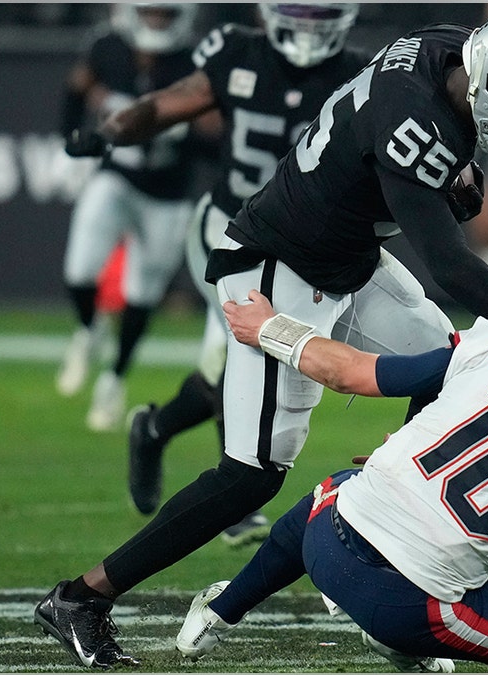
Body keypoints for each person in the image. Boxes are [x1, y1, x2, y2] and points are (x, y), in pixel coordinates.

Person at [34, 7, 488, 669]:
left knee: (452, 369)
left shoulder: (447, 52)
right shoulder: (417, 121)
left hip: (348, 260)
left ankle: (382, 532)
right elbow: (449, 264)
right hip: (277, 267)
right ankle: (82, 597)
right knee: (248, 476)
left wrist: (455, 176)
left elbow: (429, 160)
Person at [171, 289, 488, 672]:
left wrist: (268, 328)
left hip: (324, 536)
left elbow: (352, 372)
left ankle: (219, 611)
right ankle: (403, 644)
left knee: (352, 482)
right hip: (406, 607)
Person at [113, 3, 370, 551]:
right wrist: (116, 129)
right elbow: (175, 104)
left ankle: (155, 429)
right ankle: (235, 495)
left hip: (294, 243)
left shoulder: (362, 73)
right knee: (241, 351)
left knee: (222, 363)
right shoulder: (238, 51)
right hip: (227, 230)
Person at [55, 3, 205, 432]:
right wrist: (67, 143)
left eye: (165, 13)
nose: (157, 20)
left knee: (142, 294)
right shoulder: (107, 47)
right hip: (117, 176)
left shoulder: (195, 60)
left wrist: (187, 130)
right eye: (150, 11)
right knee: (80, 268)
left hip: (168, 192)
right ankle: (88, 331)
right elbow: (74, 90)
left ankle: (113, 378)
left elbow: (217, 130)